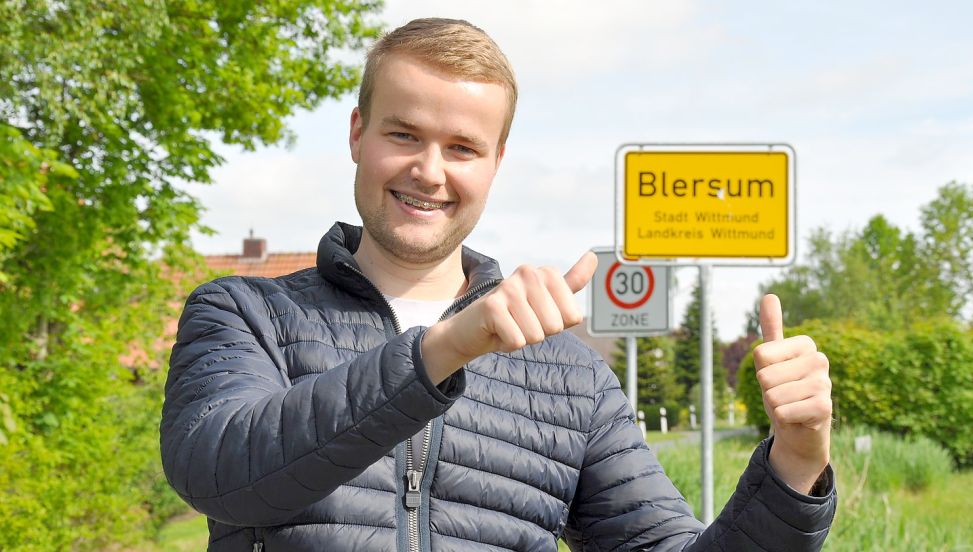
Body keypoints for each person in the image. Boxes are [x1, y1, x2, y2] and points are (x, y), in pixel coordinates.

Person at [161, 18, 836, 551]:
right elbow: (221, 477)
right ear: (357, 134)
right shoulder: (244, 312)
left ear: (496, 162)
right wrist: (446, 348)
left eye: (461, 148)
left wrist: (795, 468)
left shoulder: (571, 376)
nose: (429, 171)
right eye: (403, 134)